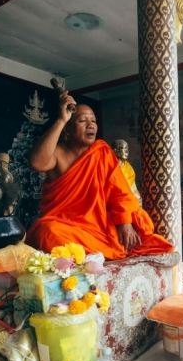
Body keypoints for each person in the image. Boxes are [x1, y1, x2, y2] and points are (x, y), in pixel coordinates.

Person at [27, 92, 172, 260]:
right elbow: (36, 163)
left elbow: (120, 192)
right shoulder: (58, 153)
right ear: (67, 128)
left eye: (94, 121)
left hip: (99, 227)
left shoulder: (102, 152)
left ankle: (89, 254)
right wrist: (61, 120)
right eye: (82, 121)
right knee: (47, 232)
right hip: (65, 226)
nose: (91, 125)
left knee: (144, 235)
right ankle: (88, 256)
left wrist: (125, 222)